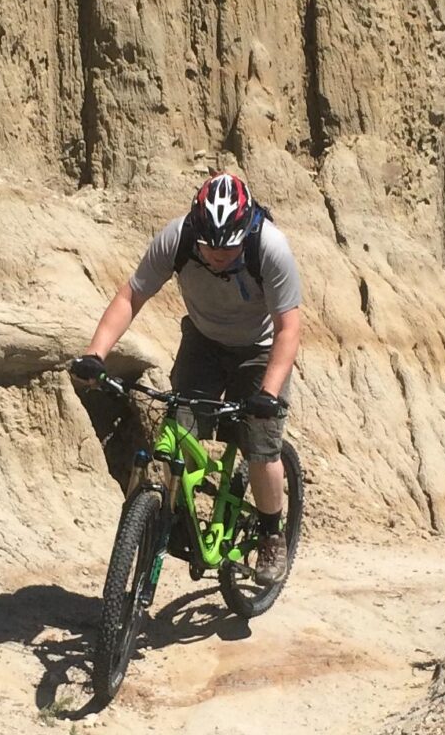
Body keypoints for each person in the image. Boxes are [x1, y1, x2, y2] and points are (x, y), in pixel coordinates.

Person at [70, 172, 303, 580]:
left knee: (262, 447)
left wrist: (267, 393)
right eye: (209, 245)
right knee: (179, 431)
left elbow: (289, 328)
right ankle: (167, 516)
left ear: (245, 231)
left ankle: (270, 536)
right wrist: (95, 353)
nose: (217, 255)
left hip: (260, 349)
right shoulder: (177, 238)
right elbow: (131, 295)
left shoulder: (270, 247)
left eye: (228, 247)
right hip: (204, 341)